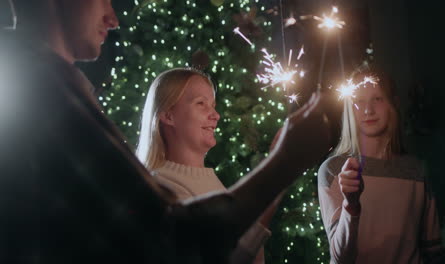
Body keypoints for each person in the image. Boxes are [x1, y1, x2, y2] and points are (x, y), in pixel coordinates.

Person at [0, 0, 335, 263]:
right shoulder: (44, 89)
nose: (113, 18)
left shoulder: (35, 83)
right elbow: (167, 242)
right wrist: (285, 161)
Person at [136, 68, 281, 263]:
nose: (215, 115)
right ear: (168, 116)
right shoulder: (162, 188)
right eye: (201, 104)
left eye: (213, 105)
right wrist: (278, 170)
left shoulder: (214, 185)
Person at [318, 68, 445, 263]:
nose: (368, 110)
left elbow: (435, 250)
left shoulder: (416, 170)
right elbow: (341, 257)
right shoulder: (333, 170)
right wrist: (350, 204)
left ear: (392, 104)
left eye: (377, 98)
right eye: (359, 101)